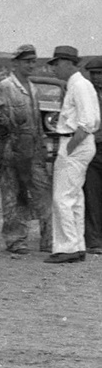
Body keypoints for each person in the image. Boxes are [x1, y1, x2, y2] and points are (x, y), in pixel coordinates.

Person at [0, 44, 52, 254]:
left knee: (43, 192)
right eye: (27, 61)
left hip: (34, 148)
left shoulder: (33, 88)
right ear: (16, 63)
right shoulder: (5, 86)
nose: (31, 65)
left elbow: (37, 121)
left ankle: (48, 239)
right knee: (14, 193)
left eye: (33, 61)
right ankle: (15, 240)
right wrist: (7, 121)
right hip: (13, 147)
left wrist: (42, 143)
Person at [44, 46, 100, 263]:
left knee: (63, 197)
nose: (54, 69)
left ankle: (67, 247)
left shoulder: (79, 85)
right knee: (74, 197)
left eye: (57, 64)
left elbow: (87, 122)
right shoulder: (78, 85)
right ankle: (76, 245)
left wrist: (70, 147)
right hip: (78, 143)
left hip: (75, 142)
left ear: (69, 63)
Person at [83, 57, 102, 256]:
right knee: (92, 195)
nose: (97, 78)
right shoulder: (87, 94)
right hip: (93, 150)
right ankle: (94, 240)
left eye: (100, 73)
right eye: (93, 74)